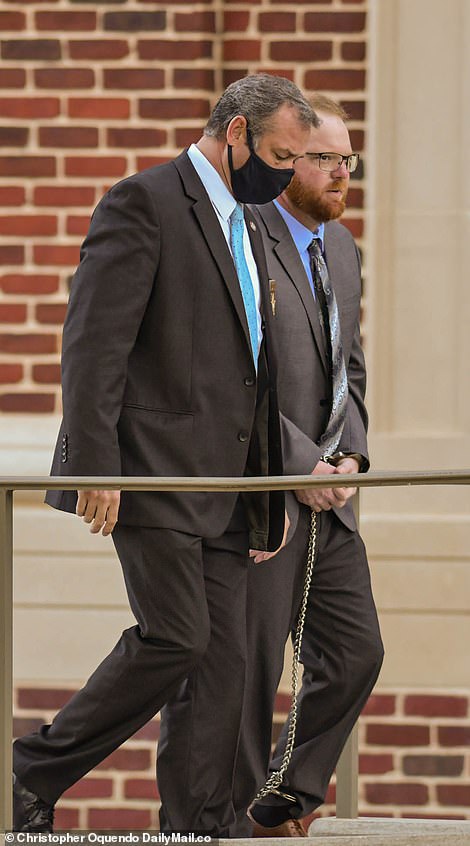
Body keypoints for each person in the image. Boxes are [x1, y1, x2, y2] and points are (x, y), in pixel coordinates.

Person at [12, 74, 318, 837]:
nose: (284, 172)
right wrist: (96, 464)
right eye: (280, 154)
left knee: (220, 668)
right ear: (237, 133)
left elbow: (254, 372)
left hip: (227, 484)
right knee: (177, 635)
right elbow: (91, 344)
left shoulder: (248, 225)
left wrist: (268, 490)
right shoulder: (143, 201)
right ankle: (26, 774)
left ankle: (200, 821)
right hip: (146, 472)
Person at [228, 93, 385, 836]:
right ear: (285, 163)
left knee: (355, 652)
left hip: (334, 497)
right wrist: (298, 463)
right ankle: (221, 815)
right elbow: (233, 376)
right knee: (244, 676)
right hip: (262, 491)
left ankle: (285, 794)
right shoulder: (242, 237)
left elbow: (348, 370)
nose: (340, 173)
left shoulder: (344, 247)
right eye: (323, 158)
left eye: (347, 159)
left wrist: (350, 453)